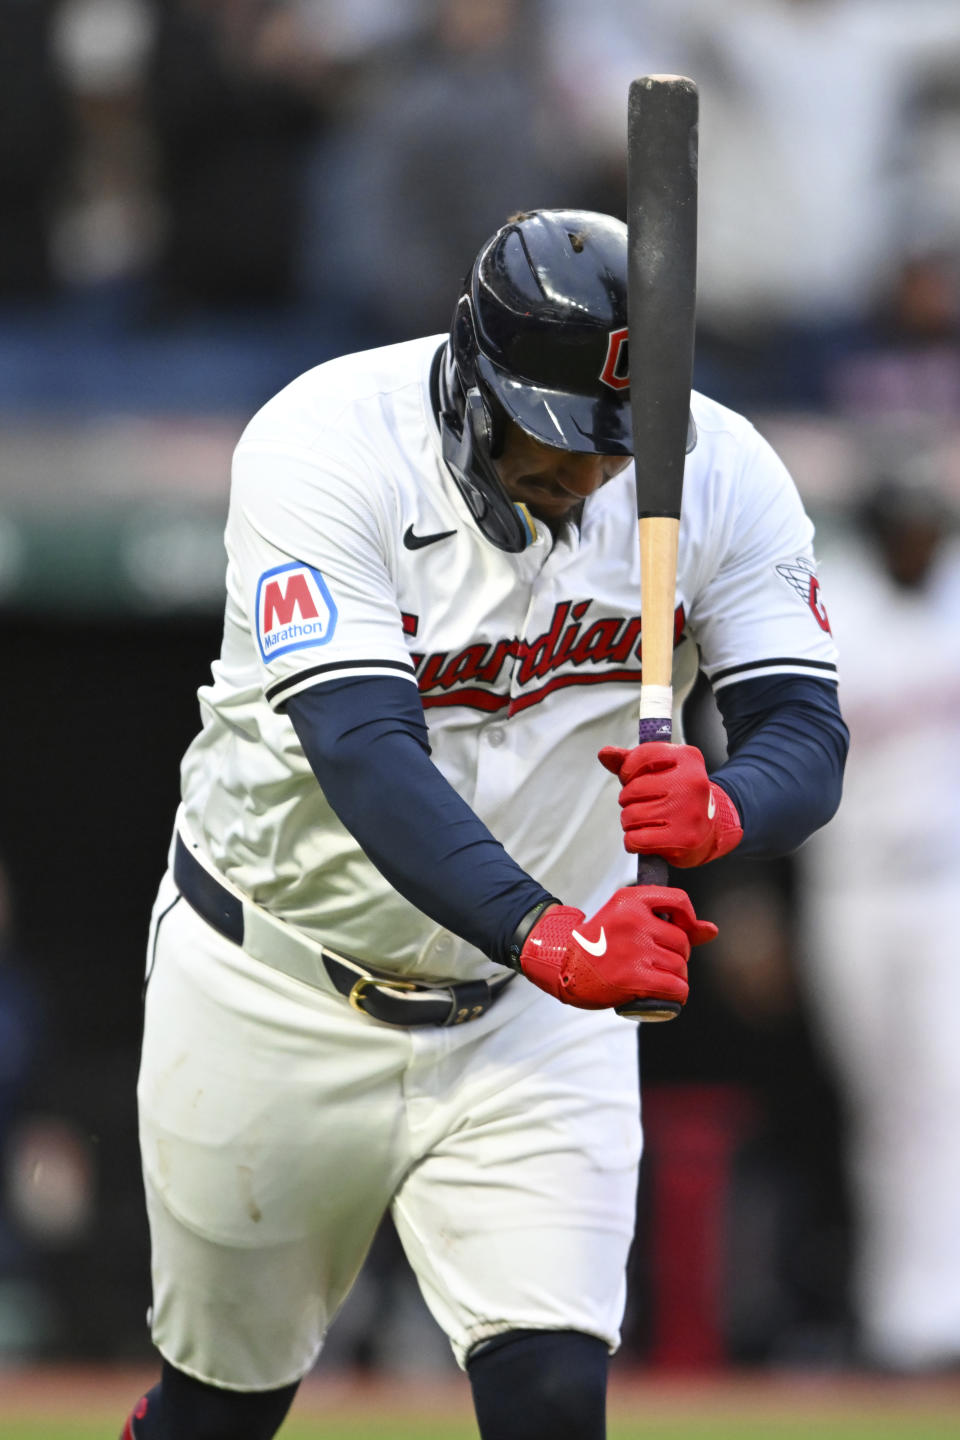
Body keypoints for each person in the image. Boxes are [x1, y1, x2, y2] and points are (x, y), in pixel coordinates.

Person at [120, 209, 847, 1440]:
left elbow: (806, 734)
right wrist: (553, 934)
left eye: (614, 451)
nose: (586, 480)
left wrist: (729, 805)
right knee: (220, 1417)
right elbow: (364, 752)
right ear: (471, 378)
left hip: (530, 1026)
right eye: (553, 443)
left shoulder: (716, 466)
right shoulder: (323, 443)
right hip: (280, 974)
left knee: (554, 1399)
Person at [797, 470, 960, 1372]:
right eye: (906, 530)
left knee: (946, 1092)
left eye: (930, 529)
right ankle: (897, 1316)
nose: (921, 545)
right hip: (849, 885)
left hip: (946, 886)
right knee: (876, 1103)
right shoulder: (832, 613)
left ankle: (934, 1318)